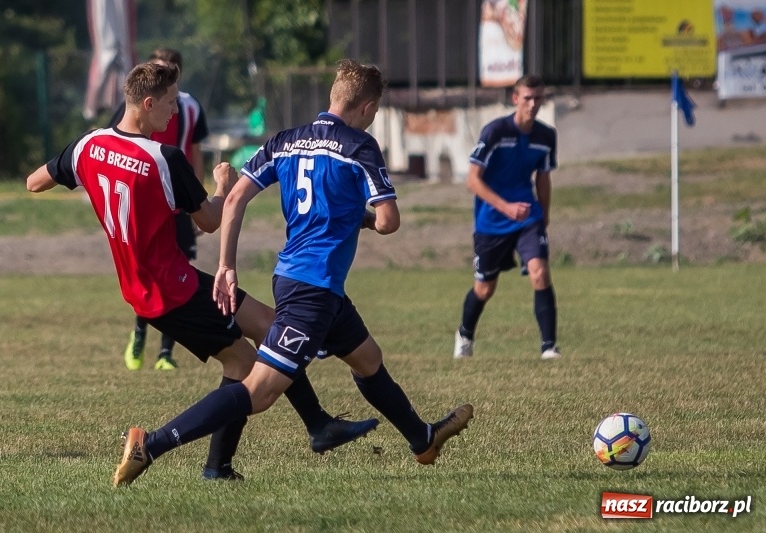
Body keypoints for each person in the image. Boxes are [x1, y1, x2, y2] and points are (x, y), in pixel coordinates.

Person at [112, 59, 474, 486]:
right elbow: (388, 220)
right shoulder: (360, 146)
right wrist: (359, 218)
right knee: (259, 390)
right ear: (367, 107)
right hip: (313, 290)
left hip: (294, 279)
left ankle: (422, 439)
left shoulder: (286, 141)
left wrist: (226, 265)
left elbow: (234, 201)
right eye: (373, 113)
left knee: (368, 359)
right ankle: (150, 445)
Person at [26, 61, 379, 482]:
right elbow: (210, 220)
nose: (176, 113)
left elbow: (34, 182)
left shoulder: (87, 146)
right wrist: (222, 184)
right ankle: (180, 453)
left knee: (269, 327)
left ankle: (307, 428)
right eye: (172, 103)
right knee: (245, 363)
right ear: (148, 102)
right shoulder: (164, 159)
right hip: (171, 287)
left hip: (144, 284)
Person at [107, 48, 209, 371]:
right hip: (146, 201)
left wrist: (198, 201)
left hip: (178, 198)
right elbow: (112, 141)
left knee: (177, 274)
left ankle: (165, 353)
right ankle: (139, 333)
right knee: (151, 273)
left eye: (168, 69)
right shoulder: (137, 106)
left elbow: (196, 154)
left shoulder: (188, 107)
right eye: (157, 67)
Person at [453, 74, 560, 361]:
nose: (533, 104)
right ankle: (464, 335)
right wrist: (506, 207)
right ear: (515, 99)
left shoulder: (546, 136)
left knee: (540, 272)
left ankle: (548, 347)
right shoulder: (495, 132)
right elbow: (472, 180)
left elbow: (543, 179)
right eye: (527, 97)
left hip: (528, 217)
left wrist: (544, 215)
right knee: (485, 288)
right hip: (492, 221)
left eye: (538, 98)